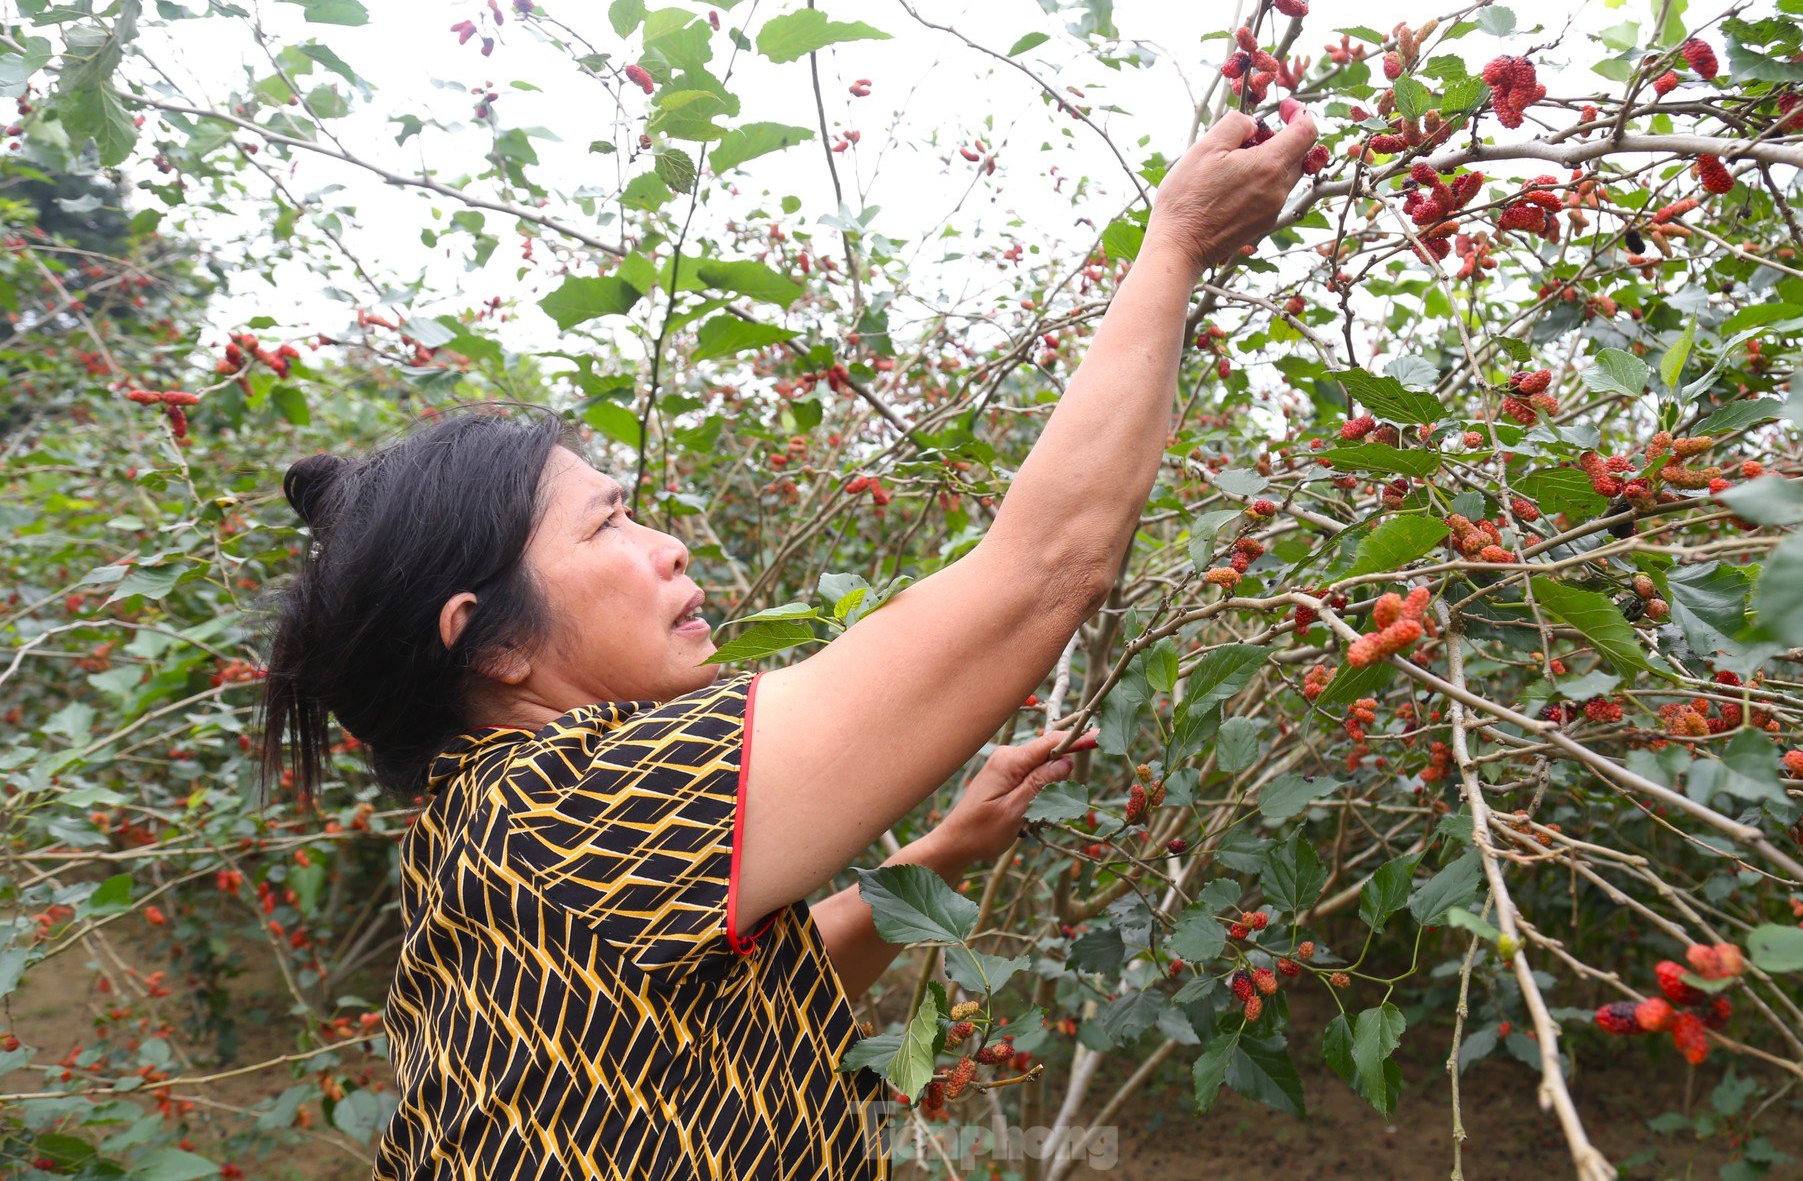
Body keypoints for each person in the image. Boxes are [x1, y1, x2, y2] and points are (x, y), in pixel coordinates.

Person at [256, 109, 1317, 1180]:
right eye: (607, 524)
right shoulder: (564, 807)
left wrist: (939, 857)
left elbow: (742, 990)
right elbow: (1044, 571)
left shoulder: (502, 834)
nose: (666, 547)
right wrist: (1173, 245)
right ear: (485, 645)